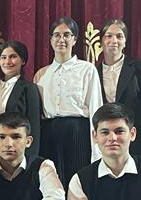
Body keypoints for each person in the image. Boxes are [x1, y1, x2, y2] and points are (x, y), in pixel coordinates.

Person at [33, 16, 102, 187]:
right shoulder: (41, 74)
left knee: (77, 184)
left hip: (77, 132)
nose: (61, 39)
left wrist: (97, 150)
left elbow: (96, 109)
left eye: (66, 35)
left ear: (75, 39)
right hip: (49, 134)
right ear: (51, 39)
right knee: (51, 184)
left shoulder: (87, 69)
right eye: (56, 35)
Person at [97, 19, 141, 161]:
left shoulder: (139, 67)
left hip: (136, 141)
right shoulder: (93, 72)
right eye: (109, 36)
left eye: (119, 36)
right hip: (106, 142)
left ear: (125, 42)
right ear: (101, 41)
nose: (114, 40)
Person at [0, 40, 43, 161]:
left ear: (23, 60)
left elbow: (34, 127)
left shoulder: (29, 89)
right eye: (3, 57)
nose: (7, 62)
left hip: (15, 151)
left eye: (13, 57)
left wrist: (30, 160)